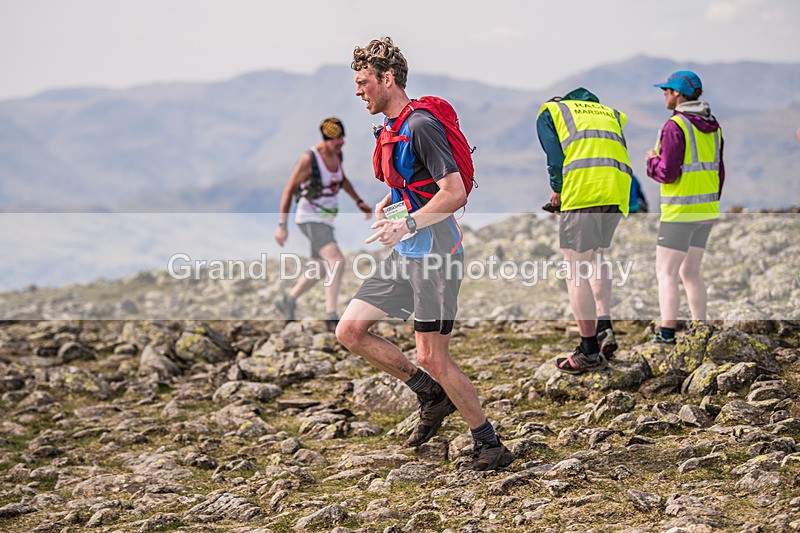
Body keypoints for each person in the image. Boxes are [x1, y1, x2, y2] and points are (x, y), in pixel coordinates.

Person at [336, 36, 514, 471]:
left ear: (388, 79)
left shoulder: (420, 126)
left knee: (433, 355)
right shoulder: (395, 127)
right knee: (350, 331)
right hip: (408, 251)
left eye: (363, 82)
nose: (358, 91)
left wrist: (408, 222)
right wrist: (391, 201)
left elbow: (452, 193)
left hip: (434, 254)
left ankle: (489, 444)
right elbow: (414, 183)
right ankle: (430, 394)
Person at [536, 88, 632, 373]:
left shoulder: (553, 111)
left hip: (584, 191)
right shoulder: (609, 113)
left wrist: (558, 190)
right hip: (616, 189)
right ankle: (604, 327)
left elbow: (556, 158)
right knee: (596, 257)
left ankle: (588, 349)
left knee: (575, 266)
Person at [645, 71, 724, 344]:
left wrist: (651, 161)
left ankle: (666, 333)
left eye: (666, 90)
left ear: (677, 94)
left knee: (666, 273)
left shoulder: (675, 126)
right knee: (691, 272)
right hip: (706, 210)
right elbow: (719, 171)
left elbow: (667, 172)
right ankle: (700, 329)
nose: (664, 95)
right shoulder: (713, 126)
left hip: (679, 212)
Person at [274, 117, 372, 331]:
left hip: (325, 220)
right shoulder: (309, 159)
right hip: (310, 218)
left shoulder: (337, 155)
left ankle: (288, 300)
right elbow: (289, 189)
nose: (342, 143)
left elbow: (342, 180)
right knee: (336, 260)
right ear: (327, 140)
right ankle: (331, 314)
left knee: (318, 268)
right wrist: (282, 225)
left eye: (343, 138)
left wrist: (359, 202)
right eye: (338, 140)